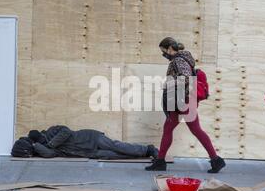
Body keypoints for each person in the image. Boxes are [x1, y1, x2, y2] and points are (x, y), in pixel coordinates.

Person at [145, 37, 225, 173]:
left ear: (170, 49)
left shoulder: (178, 60)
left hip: (182, 100)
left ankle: (216, 160)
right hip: (186, 99)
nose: (163, 54)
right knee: (182, 129)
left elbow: (186, 77)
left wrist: (169, 84)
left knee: (186, 130)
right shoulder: (184, 58)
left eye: (163, 51)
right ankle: (215, 160)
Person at [25, 125, 158, 160]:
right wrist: (35, 146)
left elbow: (66, 131)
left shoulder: (52, 131)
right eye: (39, 142)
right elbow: (49, 154)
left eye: (41, 139)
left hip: (91, 137)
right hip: (89, 152)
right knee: (114, 155)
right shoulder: (46, 145)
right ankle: (140, 155)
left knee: (117, 146)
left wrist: (51, 143)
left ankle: (148, 149)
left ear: (42, 134)